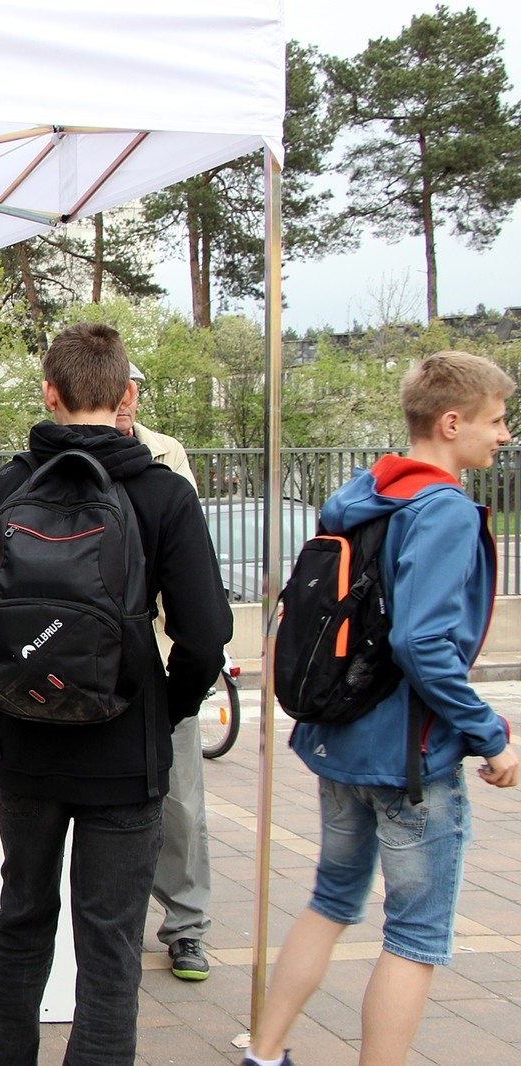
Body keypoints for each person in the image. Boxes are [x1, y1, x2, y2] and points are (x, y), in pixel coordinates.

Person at [0, 323, 231, 1065]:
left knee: (22, 914)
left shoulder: (5, 487)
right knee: (110, 941)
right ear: (126, 396)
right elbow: (204, 635)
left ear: (49, 394)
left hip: (24, 741)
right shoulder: (163, 493)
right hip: (125, 753)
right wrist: (166, 708)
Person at [244, 351, 520, 1066]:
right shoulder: (443, 511)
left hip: (340, 740)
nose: (504, 435)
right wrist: (490, 734)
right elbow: (422, 642)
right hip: (408, 760)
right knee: (415, 937)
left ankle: (264, 1053)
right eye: (496, 421)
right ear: (452, 422)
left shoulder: (365, 495)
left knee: (331, 900)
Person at [117, 365, 216, 983]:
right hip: (81, 662)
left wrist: (181, 693)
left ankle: (186, 926)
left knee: (179, 802)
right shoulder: (51, 458)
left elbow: (186, 561)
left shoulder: (166, 456)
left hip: (153, 657)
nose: (122, 401)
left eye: (130, 390)